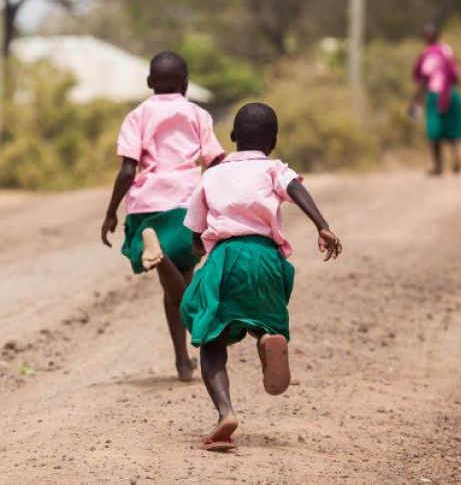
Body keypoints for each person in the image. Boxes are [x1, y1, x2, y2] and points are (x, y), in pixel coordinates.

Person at [180, 103, 342, 451]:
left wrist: (198, 247)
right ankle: (268, 338)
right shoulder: (273, 169)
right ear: (274, 141)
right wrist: (323, 226)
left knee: (211, 338)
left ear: (233, 137)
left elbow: (195, 231)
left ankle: (225, 412)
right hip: (268, 259)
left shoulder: (213, 174)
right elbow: (296, 189)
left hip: (226, 258)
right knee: (260, 315)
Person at [100, 52, 224, 382]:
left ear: (149, 83)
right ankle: (188, 352)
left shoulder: (136, 116)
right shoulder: (198, 114)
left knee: (171, 290)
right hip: (187, 202)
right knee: (184, 278)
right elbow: (214, 161)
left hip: (147, 206)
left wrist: (112, 212)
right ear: (185, 83)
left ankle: (182, 361)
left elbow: (128, 169)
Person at [410, 21, 461, 175]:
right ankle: (456, 154)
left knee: (434, 132)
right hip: (453, 94)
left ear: (425, 37)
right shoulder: (447, 50)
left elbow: (425, 79)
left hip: (436, 95)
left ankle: (438, 166)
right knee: (452, 130)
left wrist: (416, 100)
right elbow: (457, 75)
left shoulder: (428, 55)